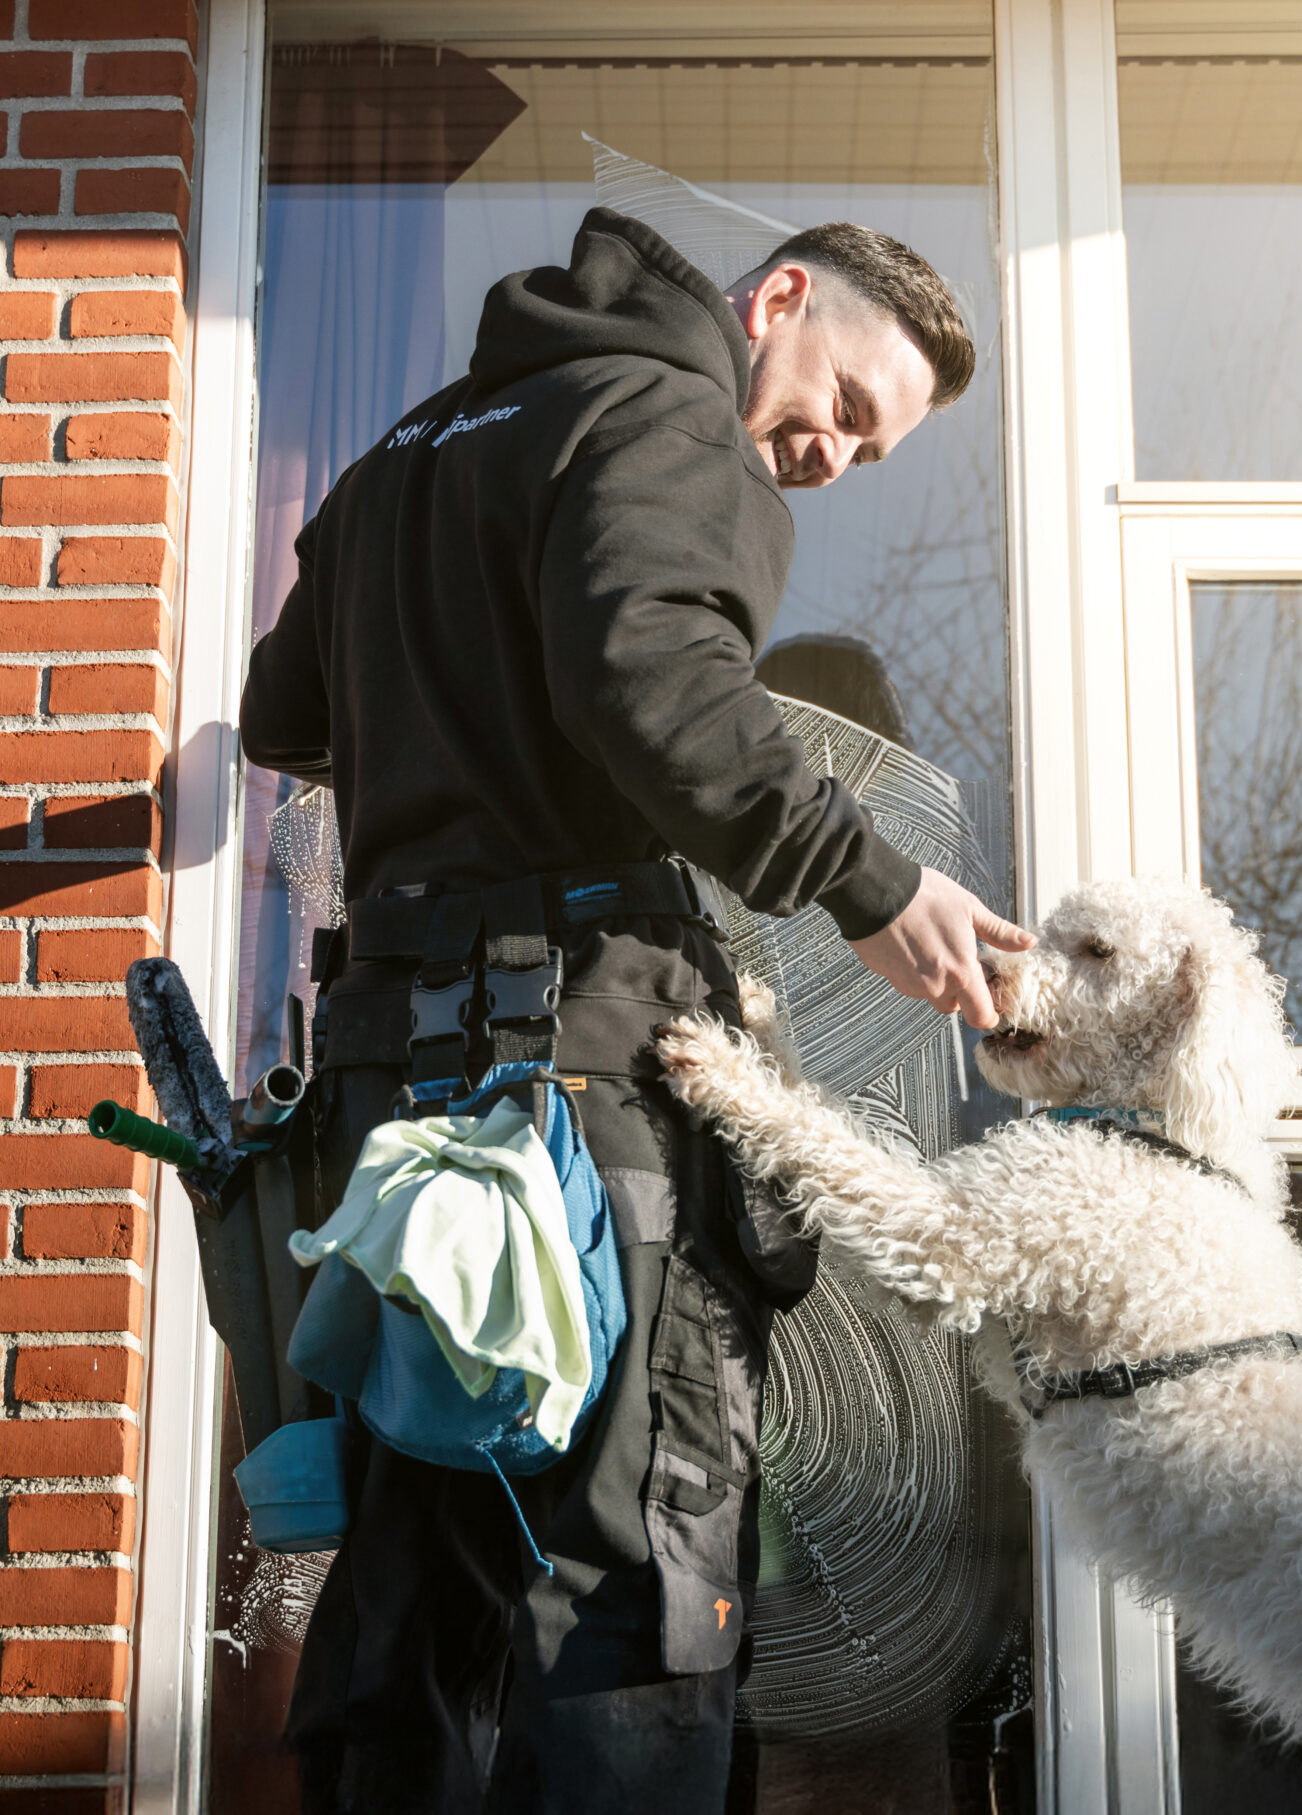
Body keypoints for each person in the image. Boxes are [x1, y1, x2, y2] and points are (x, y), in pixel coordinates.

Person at [240, 205, 1031, 1814]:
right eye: (846, 406)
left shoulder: (409, 453)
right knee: (629, 1608)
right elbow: (649, 678)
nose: (829, 459)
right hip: (580, 1098)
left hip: (403, 1108)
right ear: (780, 298)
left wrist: (463, 730)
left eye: (867, 451)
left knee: (414, 1624)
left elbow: (283, 710)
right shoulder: (674, 415)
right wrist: (872, 882)